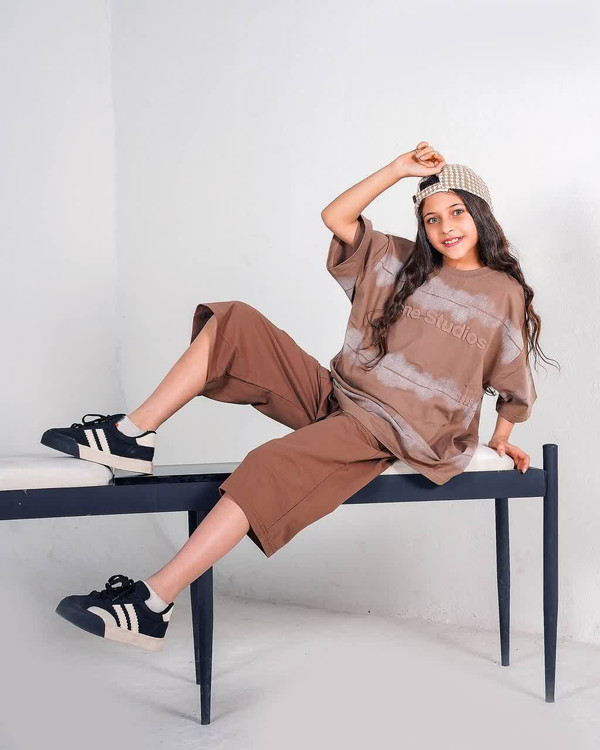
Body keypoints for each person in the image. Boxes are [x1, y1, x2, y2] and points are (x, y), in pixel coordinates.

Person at [41, 141, 557, 653]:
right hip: (339, 395)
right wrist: (397, 169)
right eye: (432, 218)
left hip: (393, 430)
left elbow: (512, 379)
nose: (446, 227)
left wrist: (500, 439)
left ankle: (152, 604)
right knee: (236, 322)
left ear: (480, 213)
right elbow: (337, 216)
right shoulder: (400, 261)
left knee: (267, 464)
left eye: (457, 212)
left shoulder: (502, 293)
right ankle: (132, 435)